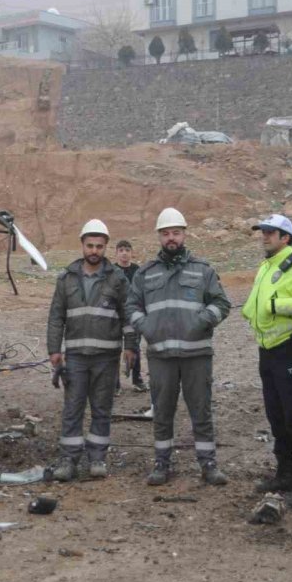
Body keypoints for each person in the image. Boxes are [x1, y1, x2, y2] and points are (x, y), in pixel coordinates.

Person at [126, 208, 231, 486]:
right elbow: (131, 306)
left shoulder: (203, 270)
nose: (171, 238)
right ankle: (162, 464)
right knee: (162, 412)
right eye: (165, 233)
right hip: (161, 356)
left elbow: (222, 304)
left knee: (201, 411)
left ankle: (208, 465)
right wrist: (146, 327)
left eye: (175, 233)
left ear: (184, 234)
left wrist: (202, 321)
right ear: (159, 236)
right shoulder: (146, 273)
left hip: (196, 355)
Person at [47, 219, 137, 481]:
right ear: (82, 245)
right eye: (90, 246)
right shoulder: (66, 278)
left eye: (99, 246)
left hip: (106, 358)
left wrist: (130, 347)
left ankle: (97, 457)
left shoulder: (118, 279)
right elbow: (56, 316)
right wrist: (54, 350)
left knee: (101, 407)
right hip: (75, 357)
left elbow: (128, 315)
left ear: (106, 246)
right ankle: (68, 459)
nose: (94, 251)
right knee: (72, 408)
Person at [242, 214, 292, 507]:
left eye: (270, 232)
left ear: (285, 237)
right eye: (262, 231)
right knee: (276, 416)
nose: (264, 236)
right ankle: (286, 473)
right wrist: (250, 313)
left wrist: (275, 306)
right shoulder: (267, 265)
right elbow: (256, 301)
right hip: (268, 351)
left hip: (291, 350)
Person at [113, 240, 148, 393]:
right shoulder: (111, 271)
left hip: (134, 314)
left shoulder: (138, 271)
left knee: (134, 347)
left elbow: (143, 293)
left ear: (131, 252)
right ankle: (115, 384)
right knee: (114, 349)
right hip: (115, 316)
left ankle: (137, 380)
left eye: (127, 249)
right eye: (121, 250)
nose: (124, 253)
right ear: (116, 253)